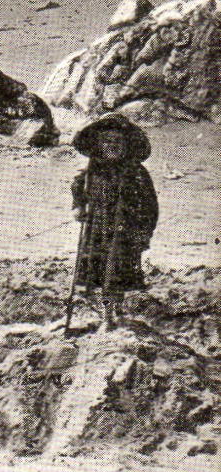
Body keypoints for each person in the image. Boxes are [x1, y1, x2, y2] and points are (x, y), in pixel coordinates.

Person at [70, 113, 159, 332]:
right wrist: (78, 206)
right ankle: (110, 312)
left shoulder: (136, 172)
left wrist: (144, 231)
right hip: (97, 228)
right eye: (106, 141)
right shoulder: (94, 168)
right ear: (98, 144)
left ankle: (110, 315)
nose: (112, 145)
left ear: (127, 144)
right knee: (99, 271)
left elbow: (150, 205)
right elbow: (77, 185)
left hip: (124, 230)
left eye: (118, 141)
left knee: (116, 272)